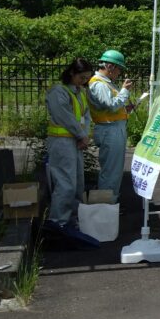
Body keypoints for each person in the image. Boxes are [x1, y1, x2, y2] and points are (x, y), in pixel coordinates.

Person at [45, 58, 95, 241]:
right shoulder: (59, 91)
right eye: (82, 77)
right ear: (72, 73)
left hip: (75, 142)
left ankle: (71, 221)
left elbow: (86, 116)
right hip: (61, 142)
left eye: (87, 78)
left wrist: (84, 135)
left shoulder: (80, 93)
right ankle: (57, 222)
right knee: (66, 183)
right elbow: (64, 116)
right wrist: (81, 135)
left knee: (77, 183)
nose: (84, 81)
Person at [87, 49, 134, 201]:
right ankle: (106, 204)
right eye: (119, 69)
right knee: (111, 171)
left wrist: (125, 109)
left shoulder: (106, 84)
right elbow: (111, 105)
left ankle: (109, 202)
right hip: (110, 130)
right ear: (110, 66)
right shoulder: (98, 84)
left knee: (113, 169)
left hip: (112, 128)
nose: (119, 73)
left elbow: (111, 107)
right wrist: (125, 90)